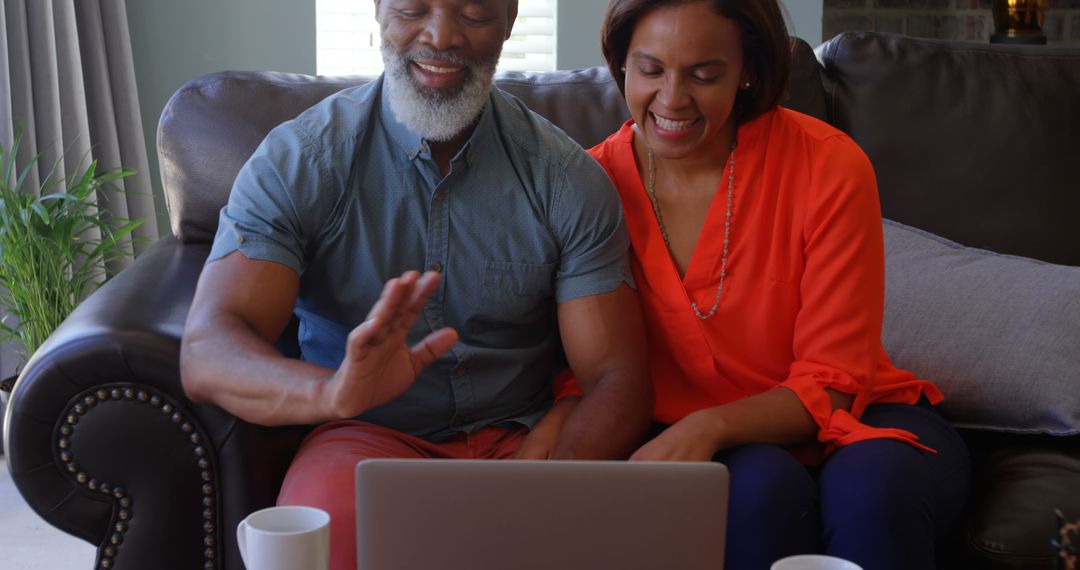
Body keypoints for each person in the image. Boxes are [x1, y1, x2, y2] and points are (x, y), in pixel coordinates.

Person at [180, 1, 653, 568]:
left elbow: (617, 378)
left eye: (475, 13)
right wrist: (331, 393)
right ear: (379, 12)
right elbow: (208, 349)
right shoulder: (301, 160)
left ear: (509, 21)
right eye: (411, 8)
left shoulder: (565, 178)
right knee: (320, 548)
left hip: (523, 437)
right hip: (363, 437)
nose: (441, 35)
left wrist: (549, 480)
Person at [550, 1, 971, 568]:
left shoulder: (828, 165)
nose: (672, 99)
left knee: (876, 490)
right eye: (651, 70)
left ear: (747, 70)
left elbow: (838, 380)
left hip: (859, 416)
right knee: (753, 492)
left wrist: (710, 424)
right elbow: (582, 367)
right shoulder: (589, 187)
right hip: (715, 444)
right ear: (621, 64)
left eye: (704, 74)